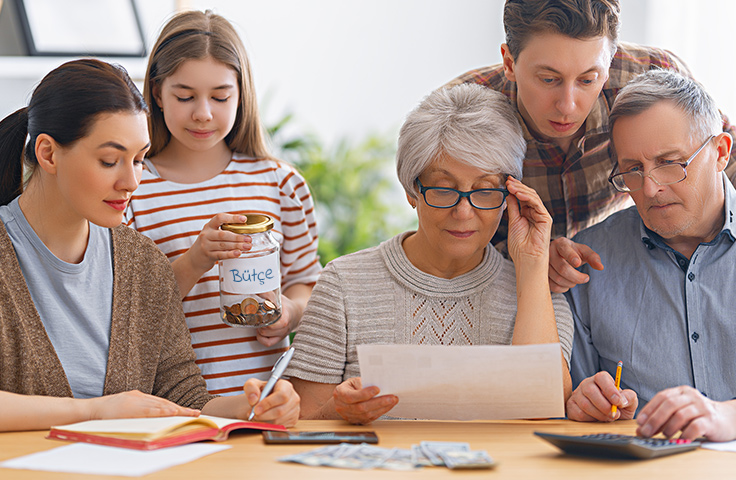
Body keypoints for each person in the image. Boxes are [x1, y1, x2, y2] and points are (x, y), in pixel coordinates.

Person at [0, 59, 299, 432]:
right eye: (110, 161)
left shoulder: (143, 263)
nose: (131, 181)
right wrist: (94, 412)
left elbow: (186, 399)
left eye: (140, 160)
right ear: (48, 154)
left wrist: (253, 404)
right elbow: (108, 410)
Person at [285, 83, 574, 424]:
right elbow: (300, 423)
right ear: (412, 190)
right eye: (443, 189)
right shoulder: (343, 284)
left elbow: (543, 411)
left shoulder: (541, 292)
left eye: (483, 191)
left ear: (510, 195)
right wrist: (338, 412)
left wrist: (533, 261)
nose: (464, 212)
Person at [446, 0, 736, 289]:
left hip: (624, 273)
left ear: (609, 64)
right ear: (509, 63)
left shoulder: (652, 77)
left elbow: (724, 153)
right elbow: (445, 234)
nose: (567, 105)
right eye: (549, 79)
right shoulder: (460, 115)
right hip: (506, 286)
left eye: (588, 79)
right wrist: (523, 260)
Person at [125, 10, 321, 396]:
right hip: (173, 402)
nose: (203, 113)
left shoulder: (280, 184)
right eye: (185, 96)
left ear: (241, 94)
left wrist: (289, 312)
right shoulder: (132, 188)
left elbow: (307, 283)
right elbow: (131, 312)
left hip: (268, 399)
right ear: (158, 95)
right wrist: (197, 258)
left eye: (220, 96)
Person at [564, 70, 736, 442]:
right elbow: (573, 403)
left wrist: (726, 417)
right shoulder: (589, 261)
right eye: (634, 170)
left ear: (720, 152)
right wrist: (583, 402)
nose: (652, 189)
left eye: (670, 163)